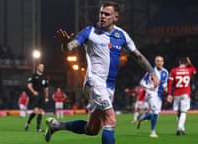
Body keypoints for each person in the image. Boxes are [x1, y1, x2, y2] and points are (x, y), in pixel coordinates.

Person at [44, 1, 159, 144]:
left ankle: (57, 125)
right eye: (101, 13)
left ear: (115, 17)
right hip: (94, 82)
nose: (102, 16)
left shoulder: (122, 35)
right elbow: (71, 47)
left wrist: (152, 73)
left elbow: (138, 56)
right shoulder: (89, 31)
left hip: (109, 86)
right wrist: (65, 44)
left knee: (92, 129)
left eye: (107, 14)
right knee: (110, 120)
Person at [137, 56, 168, 138]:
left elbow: (164, 83)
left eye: (161, 61)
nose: (159, 62)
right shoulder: (150, 71)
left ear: (163, 62)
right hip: (151, 94)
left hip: (159, 95)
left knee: (156, 114)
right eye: (157, 61)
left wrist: (166, 89)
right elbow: (142, 82)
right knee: (155, 112)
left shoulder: (165, 72)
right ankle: (152, 131)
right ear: (155, 62)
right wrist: (148, 87)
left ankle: (143, 117)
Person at [167, 57, 196, 136]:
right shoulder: (189, 70)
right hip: (186, 93)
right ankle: (180, 127)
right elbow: (194, 71)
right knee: (184, 112)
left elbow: (170, 83)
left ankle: (182, 128)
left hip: (176, 94)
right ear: (186, 63)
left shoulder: (173, 70)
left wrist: (169, 94)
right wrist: (190, 64)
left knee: (178, 112)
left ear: (179, 62)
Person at [24, 63, 49, 132]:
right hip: (36, 95)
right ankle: (28, 123)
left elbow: (46, 88)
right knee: (36, 111)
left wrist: (46, 96)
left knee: (40, 112)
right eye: (41, 67)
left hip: (42, 95)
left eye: (43, 67)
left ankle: (38, 128)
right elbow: (29, 85)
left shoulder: (44, 77)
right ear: (38, 67)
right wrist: (34, 91)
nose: (42, 68)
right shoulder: (33, 76)